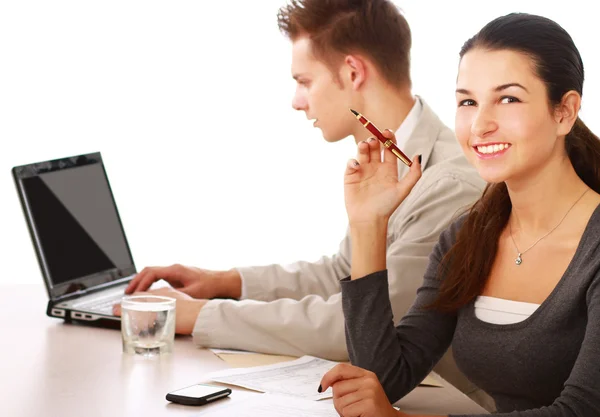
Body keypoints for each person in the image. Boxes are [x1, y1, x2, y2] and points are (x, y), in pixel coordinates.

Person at [117, 0, 486, 404]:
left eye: (304, 81)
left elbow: (363, 323)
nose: (297, 100)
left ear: (352, 72)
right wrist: (225, 283)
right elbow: (345, 274)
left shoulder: (448, 185)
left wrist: (198, 315)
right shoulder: (387, 160)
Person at [320, 12, 600, 417]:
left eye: (508, 98)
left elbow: (582, 410)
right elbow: (386, 377)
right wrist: (369, 224)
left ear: (564, 112)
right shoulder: (468, 236)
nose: (480, 125)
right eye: (467, 101)